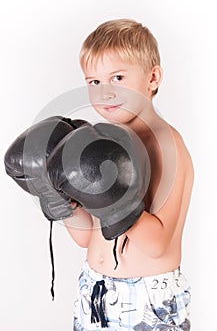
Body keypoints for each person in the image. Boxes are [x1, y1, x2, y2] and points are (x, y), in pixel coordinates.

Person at [61, 19, 194, 330]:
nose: (105, 92)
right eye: (93, 82)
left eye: (117, 77)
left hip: (147, 299)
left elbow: (158, 244)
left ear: (153, 77)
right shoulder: (102, 146)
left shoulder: (165, 145)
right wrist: (59, 198)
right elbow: (86, 237)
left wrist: (114, 200)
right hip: (94, 290)